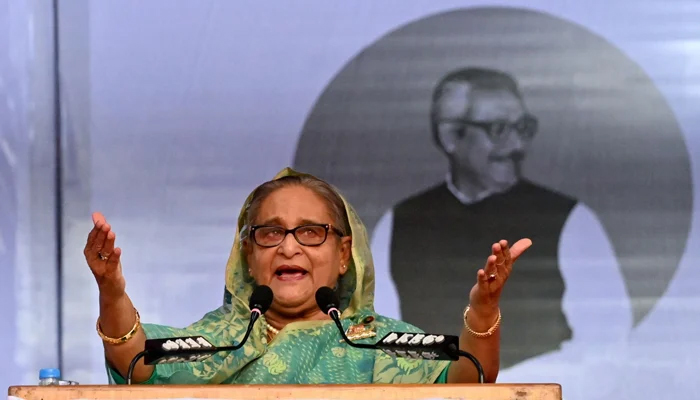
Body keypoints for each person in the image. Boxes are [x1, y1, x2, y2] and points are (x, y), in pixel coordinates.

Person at [84, 167, 532, 384]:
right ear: (248, 252)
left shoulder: (376, 345)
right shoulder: (222, 341)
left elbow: (469, 379)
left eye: (311, 233)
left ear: (343, 254)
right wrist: (111, 288)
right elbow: (136, 360)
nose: (289, 245)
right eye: (271, 231)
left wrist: (484, 308)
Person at [370, 67, 631, 369]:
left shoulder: (570, 219)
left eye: (523, 128)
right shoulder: (399, 222)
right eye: (499, 130)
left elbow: (606, 344)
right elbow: (384, 343)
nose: (518, 146)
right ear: (451, 136)